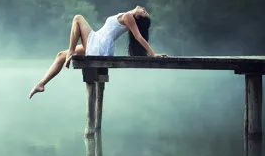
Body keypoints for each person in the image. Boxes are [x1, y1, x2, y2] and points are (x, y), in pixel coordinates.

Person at [29, 6, 168, 99]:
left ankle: (71, 52)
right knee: (60, 55)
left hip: (99, 44)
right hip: (98, 41)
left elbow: (138, 37)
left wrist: (152, 54)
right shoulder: (128, 15)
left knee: (78, 18)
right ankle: (41, 84)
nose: (144, 9)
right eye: (145, 11)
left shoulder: (129, 17)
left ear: (137, 18)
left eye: (144, 13)